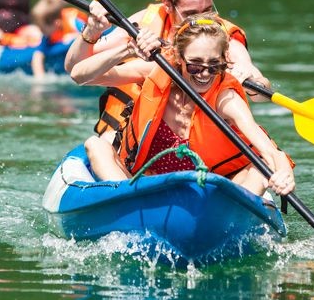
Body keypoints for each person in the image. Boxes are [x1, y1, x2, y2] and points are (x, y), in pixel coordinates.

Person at [71, 15, 295, 197]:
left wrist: (284, 172)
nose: (205, 74)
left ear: (224, 60)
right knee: (96, 145)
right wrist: (128, 50)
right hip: (146, 188)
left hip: (208, 195)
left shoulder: (225, 98)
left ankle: (226, 222)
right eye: (195, 65)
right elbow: (79, 75)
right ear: (179, 57)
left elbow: (268, 150)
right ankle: (129, 205)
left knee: (260, 169)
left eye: (214, 65)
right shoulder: (156, 72)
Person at [65, 0, 269, 143]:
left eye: (206, 11)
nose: (198, 21)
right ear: (167, 4)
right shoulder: (142, 24)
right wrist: (91, 33)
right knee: (106, 141)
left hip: (196, 135)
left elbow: (261, 93)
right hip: (135, 128)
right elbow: (76, 68)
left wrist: (252, 83)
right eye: (190, 13)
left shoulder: (223, 37)